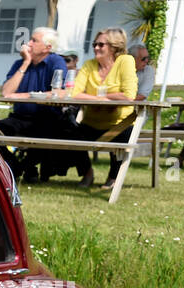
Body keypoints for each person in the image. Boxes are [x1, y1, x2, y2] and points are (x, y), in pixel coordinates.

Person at [66, 28, 138, 189]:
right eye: (94, 44)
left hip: (119, 123)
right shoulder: (89, 64)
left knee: (123, 136)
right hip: (91, 123)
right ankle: (87, 173)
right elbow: (75, 94)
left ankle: (113, 177)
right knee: (67, 132)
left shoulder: (125, 61)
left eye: (101, 44)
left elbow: (129, 95)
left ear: (114, 46)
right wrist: (102, 98)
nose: (96, 48)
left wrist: (104, 98)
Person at [0, 26, 71, 182]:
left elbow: (58, 92)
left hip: (46, 118)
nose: (29, 43)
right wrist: (25, 63)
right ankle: (16, 167)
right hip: (18, 118)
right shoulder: (20, 63)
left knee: (47, 135)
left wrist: (24, 96)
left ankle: (22, 168)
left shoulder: (56, 61)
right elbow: (6, 92)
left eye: (34, 40)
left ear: (47, 47)